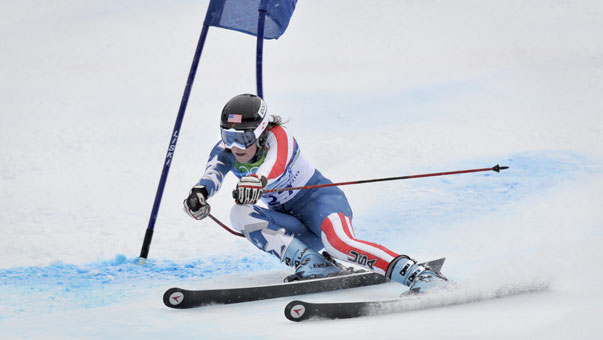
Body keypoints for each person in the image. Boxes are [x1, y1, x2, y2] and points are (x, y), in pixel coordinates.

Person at [183, 93, 449, 293]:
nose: (235, 146)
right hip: (291, 225)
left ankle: (420, 276)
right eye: (227, 136)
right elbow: (211, 176)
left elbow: (275, 165)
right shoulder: (226, 151)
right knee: (239, 213)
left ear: (262, 131)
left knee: (338, 244)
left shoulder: (279, 138)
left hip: (321, 204)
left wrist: (256, 180)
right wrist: (199, 196)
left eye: (243, 137)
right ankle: (313, 262)